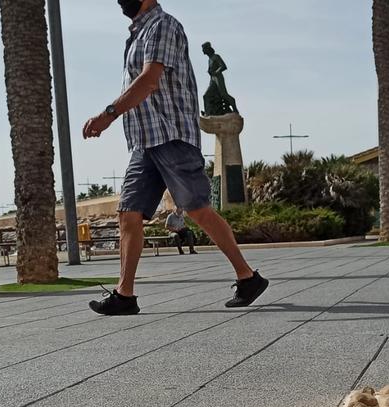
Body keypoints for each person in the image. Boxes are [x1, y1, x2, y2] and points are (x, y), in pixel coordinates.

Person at [82, 0, 268, 316]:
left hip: (172, 137)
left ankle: (248, 277)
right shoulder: (139, 33)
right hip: (144, 141)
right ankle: (125, 295)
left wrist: (108, 115)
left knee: (198, 210)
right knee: (129, 213)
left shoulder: (163, 25)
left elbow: (149, 80)